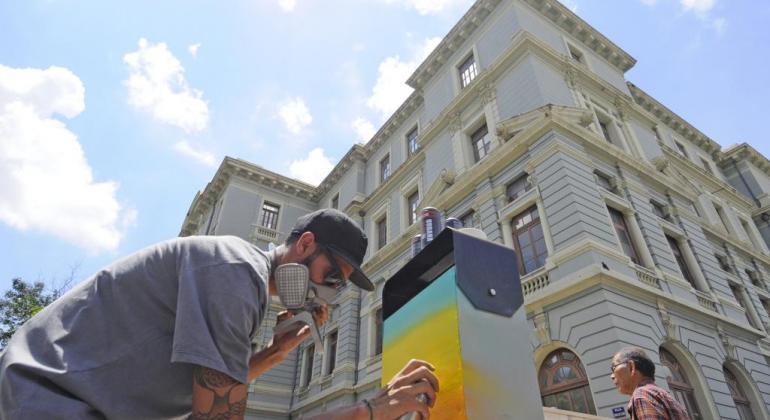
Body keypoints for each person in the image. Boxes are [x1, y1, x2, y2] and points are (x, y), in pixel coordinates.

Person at [0, 209, 439, 420]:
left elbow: (202, 389)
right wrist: (366, 411)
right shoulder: (235, 272)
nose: (328, 291)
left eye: (338, 286)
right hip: (50, 402)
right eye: (331, 275)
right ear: (304, 245)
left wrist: (271, 355)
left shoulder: (240, 280)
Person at [610, 347, 690, 420]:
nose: (612, 376)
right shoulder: (662, 395)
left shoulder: (642, 394)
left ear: (631, 367)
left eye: (613, 368)